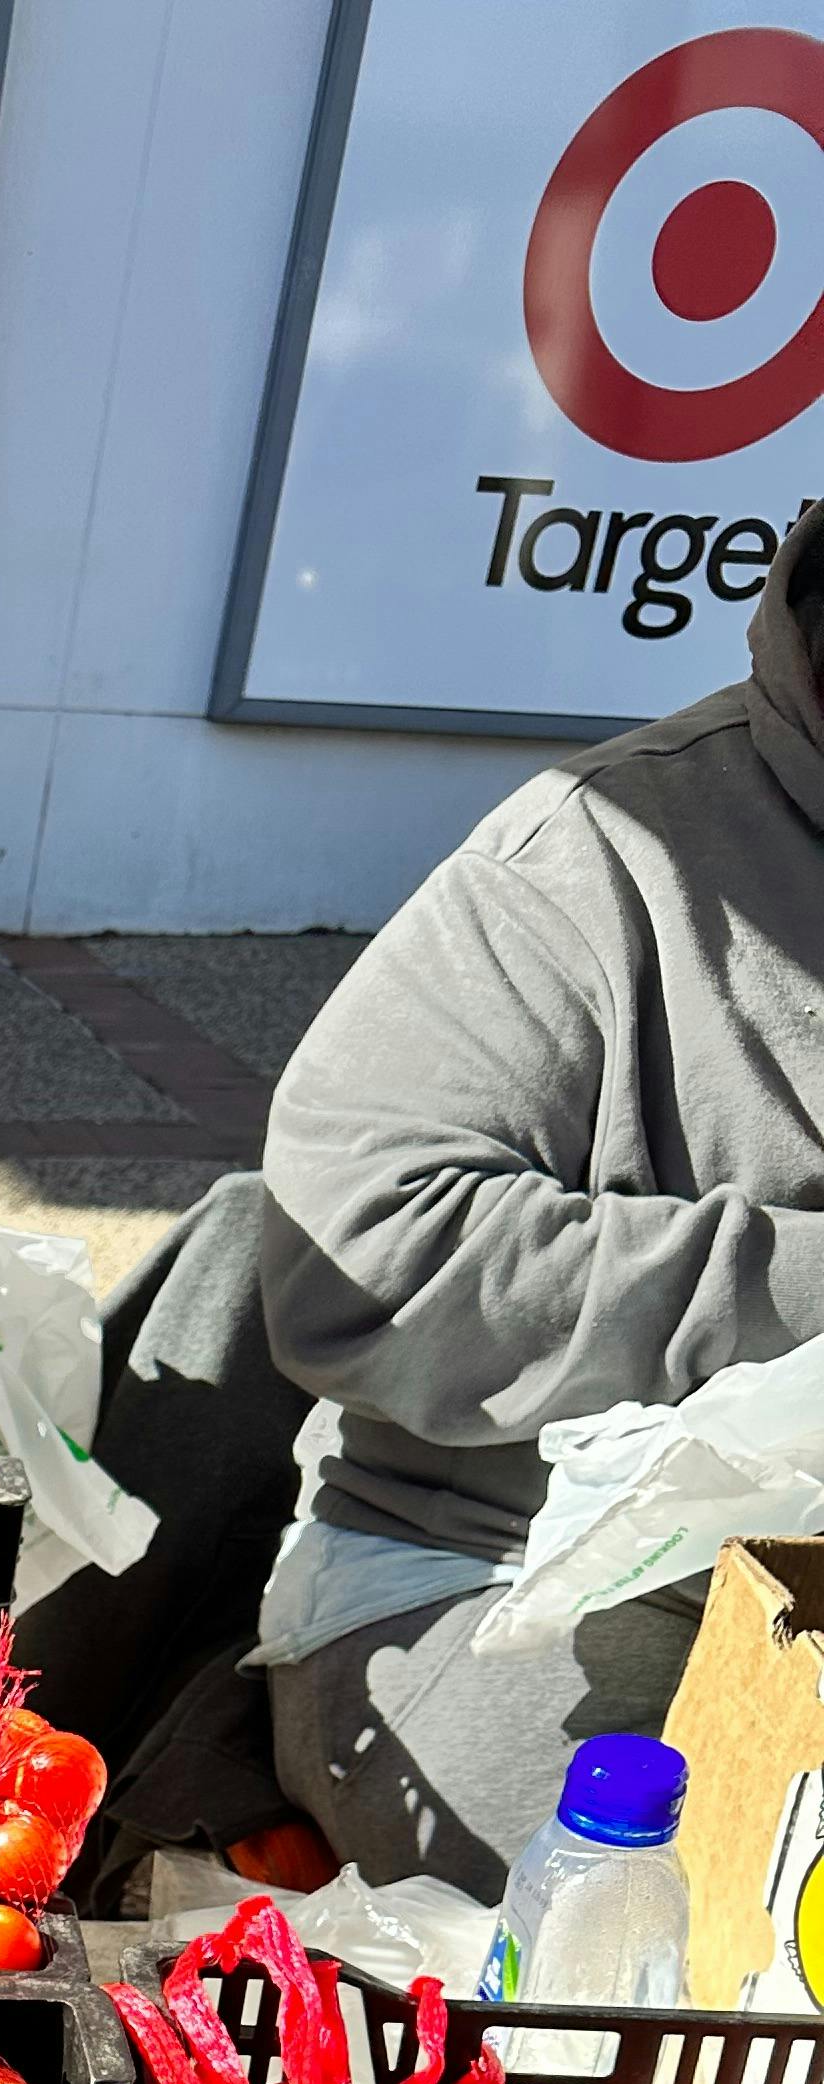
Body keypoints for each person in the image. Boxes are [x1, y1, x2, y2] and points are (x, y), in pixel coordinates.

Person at [255, 498, 824, 1903]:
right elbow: (365, 1251)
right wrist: (801, 1295)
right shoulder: (605, 853)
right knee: (736, 1937)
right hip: (503, 1576)